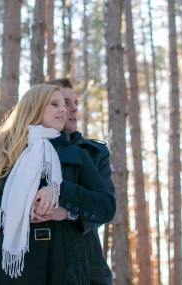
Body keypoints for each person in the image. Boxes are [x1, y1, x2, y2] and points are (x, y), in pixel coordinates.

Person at [0, 84, 116, 284]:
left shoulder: (78, 154)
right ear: (34, 107)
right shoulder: (3, 155)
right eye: (55, 104)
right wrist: (20, 203)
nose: (63, 110)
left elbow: (106, 207)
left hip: (66, 270)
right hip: (13, 274)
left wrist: (58, 191)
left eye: (64, 105)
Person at [45, 78, 113, 285]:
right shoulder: (22, 151)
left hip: (86, 263)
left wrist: (69, 213)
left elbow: (104, 207)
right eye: (65, 103)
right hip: (37, 264)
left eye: (75, 103)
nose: (73, 108)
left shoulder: (95, 152)